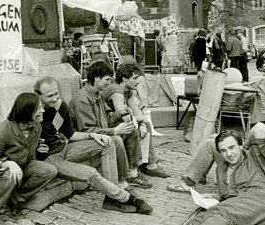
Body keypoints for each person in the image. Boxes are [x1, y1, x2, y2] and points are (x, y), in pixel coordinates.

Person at [34, 76, 152, 214]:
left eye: (56, 94)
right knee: (90, 174)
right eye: (50, 96)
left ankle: (111, 198)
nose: (55, 98)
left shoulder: (60, 106)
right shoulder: (31, 111)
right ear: (38, 95)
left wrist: (93, 135)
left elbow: (70, 134)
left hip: (65, 148)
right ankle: (125, 198)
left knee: (108, 141)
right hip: (51, 158)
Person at [168, 110, 265, 193]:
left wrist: (245, 148)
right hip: (253, 160)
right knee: (215, 138)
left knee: (210, 144)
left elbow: (263, 162)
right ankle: (201, 173)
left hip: (249, 167)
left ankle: (188, 183)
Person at [0, 93, 57, 225]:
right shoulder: (2, 131)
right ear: (28, 111)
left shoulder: (36, 126)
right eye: (39, 108)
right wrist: (9, 163)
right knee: (10, 175)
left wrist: (39, 150)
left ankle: (14, 200)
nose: (43, 110)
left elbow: (27, 149)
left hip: (21, 164)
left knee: (49, 171)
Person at [69, 60, 153, 188]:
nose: (110, 83)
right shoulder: (82, 99)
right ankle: (121, 183)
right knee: (116, 140)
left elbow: (107, 117)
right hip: (84, 139)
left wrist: (120, 114)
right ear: (97, 78)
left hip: (100, 132)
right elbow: (87, 130)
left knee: (130, 130)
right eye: (107, 79)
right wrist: (114, 131)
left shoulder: (97, 94)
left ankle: (132, 174)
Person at [102, 62, 170, 178]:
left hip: (118, 123)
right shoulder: (116, 90)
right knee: (132, 128)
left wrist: (143, 123)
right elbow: (124, 116)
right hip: (110, 125)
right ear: (124, 78)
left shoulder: (128, 91)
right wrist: (142, 119)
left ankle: (150, 164)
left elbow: (135, 110)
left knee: (146, 125)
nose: (138, 81)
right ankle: (135, 169)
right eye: (135, 78)